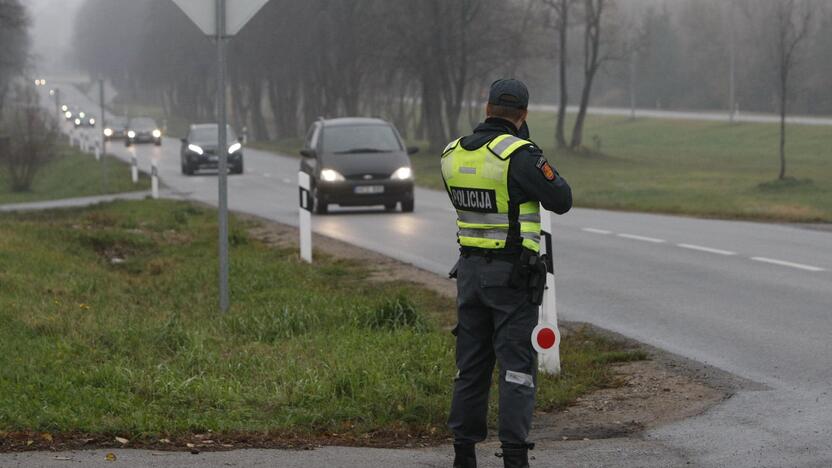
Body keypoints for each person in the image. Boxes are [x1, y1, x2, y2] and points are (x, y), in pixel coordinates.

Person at [441, 79, 572, 468]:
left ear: (487, 108)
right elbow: (561, 199)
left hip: (468, 273)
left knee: (471, 366)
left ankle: (463, 453)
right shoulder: (519, 155)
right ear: (523, 115)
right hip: (512, 277)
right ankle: (514, 455)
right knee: (516, 367)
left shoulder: (452, 153)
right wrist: (527, 147)